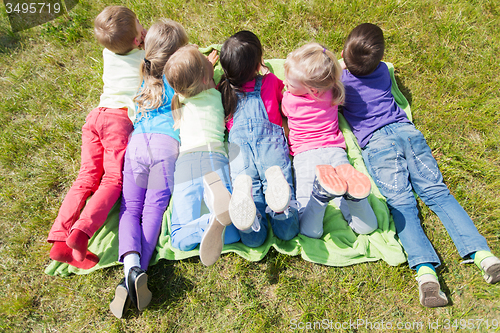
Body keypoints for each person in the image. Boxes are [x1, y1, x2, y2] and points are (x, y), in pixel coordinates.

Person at [340, 23, 500, 308]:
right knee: (439, 194)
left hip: (377, 146)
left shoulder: (340, 82)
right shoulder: (382, 72)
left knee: (401, 204)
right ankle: (484, 257)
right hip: (408, 134)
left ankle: (426, 274)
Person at [47, 6, 146, 270]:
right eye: (139, 24)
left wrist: (135, 38)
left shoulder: (108, 52)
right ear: (138, 40)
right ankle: (82, 232)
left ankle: (59, 238)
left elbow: (125, 43)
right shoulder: (145, 59)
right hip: (118, 121)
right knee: (113, 180)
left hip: (96, 117)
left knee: (86, 177)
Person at [108, 19, 189, 318]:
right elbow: (181, 117)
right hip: (166, 147)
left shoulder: (143, 75)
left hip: (138, 146)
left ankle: (130, 268)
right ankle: (138, 271)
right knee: (154, 207)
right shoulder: (179, 80)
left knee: (130, 209)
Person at [282, 42, 378, 238]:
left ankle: (319, 196)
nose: (285, 84)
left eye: (290, 83)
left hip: (306, 155)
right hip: (335, 151)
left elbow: (283, 114)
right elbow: (334, 71)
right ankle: (355, 200)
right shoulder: (333, 90)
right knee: (365, 227)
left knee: (306, 222)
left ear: (313, 90)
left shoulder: (289, 101)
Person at [218, 31, 299, 248]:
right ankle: (281, 211)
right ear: (258, 63)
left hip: (239, 148)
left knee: (249, 190)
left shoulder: (224, 89)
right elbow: (286, 97)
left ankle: (250, 223)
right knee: (287, 225)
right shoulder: (270, 82)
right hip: (269, 142)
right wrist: (265, 73)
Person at [165, 45, 241, 267]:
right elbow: (204, 77)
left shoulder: (179, 101)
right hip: (214, 157)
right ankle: (221, 218)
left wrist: (203, 66)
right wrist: (210, 66)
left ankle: (208, 221)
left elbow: (185, 79)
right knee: (234, 231)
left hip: (186, 162)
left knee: (178, 236)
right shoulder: (215, 94)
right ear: (207, 79)